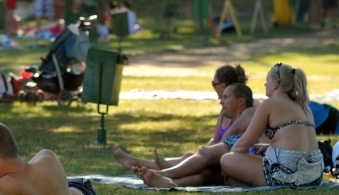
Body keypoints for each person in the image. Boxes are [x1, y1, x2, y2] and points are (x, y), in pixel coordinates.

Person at [114, 64, 249, 170]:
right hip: (219, 155)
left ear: (223, 85)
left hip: (228, 158)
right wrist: (204, 150)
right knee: (192, 155)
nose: (220, 99)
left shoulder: (245, 110)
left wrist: (206, 152)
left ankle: (157, 168)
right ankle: (143, 165)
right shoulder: (224, 111)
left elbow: (232, 139)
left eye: (214, 84)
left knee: (195, 159)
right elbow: (215, 138)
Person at [135, 84, 261, 188]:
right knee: (206, 173)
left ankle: (165, 173)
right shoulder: (237, 117)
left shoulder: (251, 111)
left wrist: (214, 149)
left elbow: (234, 131)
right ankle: (171, 183)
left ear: (241, 101)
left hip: (250, 156)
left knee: (203, 152)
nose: (221, 102)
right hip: (246, 161)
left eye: (226, 97)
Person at [220, 63, 323, 187]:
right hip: (314, 174)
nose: (265, 84)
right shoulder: (304, 106)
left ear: (275, 84)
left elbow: (242, 144)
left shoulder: (270, 104)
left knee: (226, 159)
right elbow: (298, 143)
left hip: (287, 174)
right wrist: (269, 146)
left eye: (267, 80)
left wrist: (232, 162)